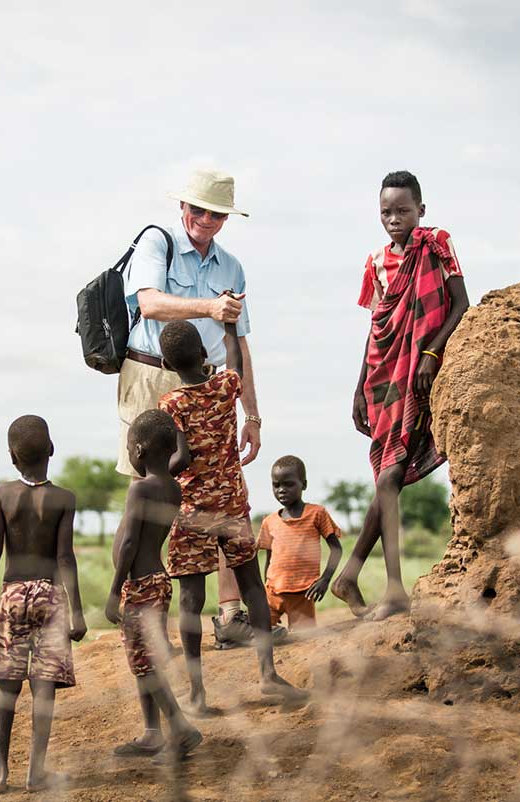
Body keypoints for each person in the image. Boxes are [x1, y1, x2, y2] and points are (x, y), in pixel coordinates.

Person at [116, 168, 263, 626]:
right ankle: (141, 603)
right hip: (150, 374)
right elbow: (149, 304)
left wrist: (252, 415)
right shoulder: (157, 244)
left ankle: (229, 615)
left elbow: (240, 342)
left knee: (218, 493)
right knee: (148, 492)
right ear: (182, 207)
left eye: (215, 213)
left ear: (224, 218)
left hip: (209, 383)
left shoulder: (231, 266)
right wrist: (209, 307)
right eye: (197, 208)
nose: (205, 219)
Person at [331, 171, 470, 622]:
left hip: (423, 371)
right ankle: (383, 587)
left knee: (388, 478)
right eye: (386, 212)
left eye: (403, 211)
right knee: (388, 477)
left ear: (421, 211)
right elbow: (376, 327)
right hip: (385, 375)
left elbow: (461, 304)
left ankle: (358, 576)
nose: (394, 219)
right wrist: (358, 389)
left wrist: (433, 350)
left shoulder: (437, 244)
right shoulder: (375, 262)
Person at [157, 319, 307, 713]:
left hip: (192, 511)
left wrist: (159, 472)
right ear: (205, 355)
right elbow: (236, 360)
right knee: (251, 585)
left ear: (167, 365)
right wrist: (229, 325)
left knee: (191, 599)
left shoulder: (171, 404)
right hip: (232, 503)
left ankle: (197, 694)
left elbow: (182, 457)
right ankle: (268, 675)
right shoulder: (226, 387)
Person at [0, 415, 88, 794]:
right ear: (52, 450)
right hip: (51, 596)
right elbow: (65, 558)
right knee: (44, 687)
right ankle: (36, 773)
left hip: (12, 594)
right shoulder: (64, 499)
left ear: (11, 457)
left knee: (7, 688)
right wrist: (76, 611)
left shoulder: (4, 495)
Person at [104, 409, 203, 762]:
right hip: (159, 582)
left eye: (129, 445)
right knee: (145, 659)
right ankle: (151, 734)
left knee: (144, 663)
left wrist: (115, 591)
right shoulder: (172, 487)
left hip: (141, 584)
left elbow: (130, 543)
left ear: (140, 450)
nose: (128, 451)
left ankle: (180, 729)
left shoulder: (141, 489)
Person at [257, 455, 343, 633]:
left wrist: (325, 579)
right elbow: (269, 558)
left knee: (302, 639)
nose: (281, 490)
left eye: (289, 484)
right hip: (272, 592)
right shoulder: (269, 521)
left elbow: (336, 549)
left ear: (303, 484)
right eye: (276, 485)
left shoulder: (316, 514)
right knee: (262, 631)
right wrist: (264, 586)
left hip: (303, 593)